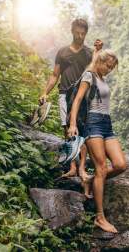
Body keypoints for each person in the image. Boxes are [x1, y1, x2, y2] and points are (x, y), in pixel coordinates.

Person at [68, 49, 127, 233]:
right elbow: (77, 100)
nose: (109, 69)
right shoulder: (89, 75)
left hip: (106, 124)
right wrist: (72, 125)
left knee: (120, 165)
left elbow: (97, 61)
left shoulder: (102, 78)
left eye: (111, 67)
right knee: (101, 167)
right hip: (92, 123)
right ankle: (99, 218)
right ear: (99, 62)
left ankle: (90, 181)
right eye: (107, 65)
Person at [39, 18, 102, 182]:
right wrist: (45, 92)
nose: (80, 36)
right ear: (72, 31)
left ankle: (81, 168)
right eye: (77, 33)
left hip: (81, 95)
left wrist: (97, 52)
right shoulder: (62, 52)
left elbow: (93, 71)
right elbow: (55, 75)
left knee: (81, 129)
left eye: (83, 33)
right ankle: (72, 167)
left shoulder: (89, 53)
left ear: (86, 33)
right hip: (63, 93)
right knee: (67, 129)